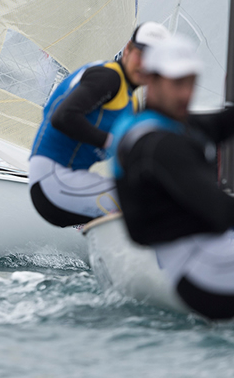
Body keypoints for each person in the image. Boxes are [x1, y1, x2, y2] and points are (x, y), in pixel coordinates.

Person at [112, 34, 234, 320]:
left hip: (207, 262)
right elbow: (221, 208)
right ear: (150, 80)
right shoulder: (158, 144)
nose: (186, 94)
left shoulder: (161, 125)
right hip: (204, 272)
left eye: (191, 82)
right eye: (177, 83)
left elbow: (221, 125)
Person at [28, 22, 170, 227]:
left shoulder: (133, 101)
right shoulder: (109, 77)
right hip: (52, 180)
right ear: (128, 50)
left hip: (69, 182)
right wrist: (112, 141)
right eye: (141, 55)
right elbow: (63, 117)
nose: (145, 65)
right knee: (150, 202)